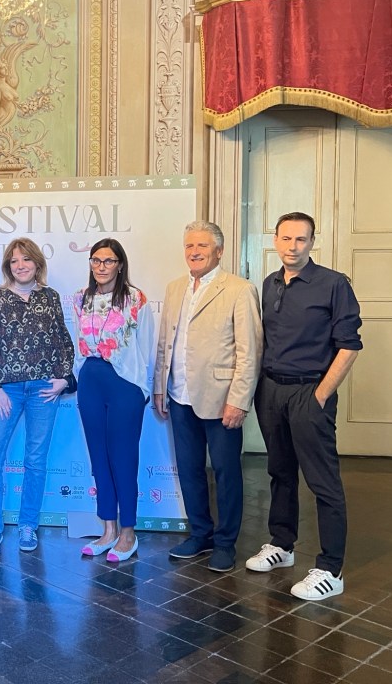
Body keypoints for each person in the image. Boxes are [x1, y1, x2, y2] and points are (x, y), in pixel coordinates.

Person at [245, 212, 362, 601]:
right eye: (286, 238)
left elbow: (349, 345)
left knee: (323, 482)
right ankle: (282, 544)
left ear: (312, 242)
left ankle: (331, 569)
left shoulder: (333, 284)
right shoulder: (270, 283)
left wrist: (320, 395)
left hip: (310, 393)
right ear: (275, 241)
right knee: (280, 471)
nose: (292, 246)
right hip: (271, 391)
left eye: (300, 239)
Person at [153, 221, 263, 573]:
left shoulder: (240, 290)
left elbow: (250, 351)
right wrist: (160, 386)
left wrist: (239, 400)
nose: (194, 252)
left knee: (227, 472)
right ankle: (200, 534)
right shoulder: (175, 288)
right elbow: (165, 342)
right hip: (179, 395)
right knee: (189, 470)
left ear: (219, 251)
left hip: (221, 398)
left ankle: (226, 543)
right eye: (189, 246)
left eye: (202, 245)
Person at [0, 238, 75, 560]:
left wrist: (64, 377)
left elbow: (63, 340)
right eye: (14, 260)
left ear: (37, 263)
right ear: (8, 265)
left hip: (44, 389)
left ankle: (28, 525)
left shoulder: (50, 297)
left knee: (35, 459)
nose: (20, 265)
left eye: (26, 259)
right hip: (7, 389)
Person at [72, 239, 154, 563]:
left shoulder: (136, 298)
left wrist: (142, 389)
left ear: (120, 264)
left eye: (108, 260)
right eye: (96, 260)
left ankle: (128, 533)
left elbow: (146, 347)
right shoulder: (80, 298)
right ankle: (108, 530)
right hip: (91, 380)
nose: (101, 266)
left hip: (125, 384)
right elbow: (79, 344)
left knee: (123, 459)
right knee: (99, 458)